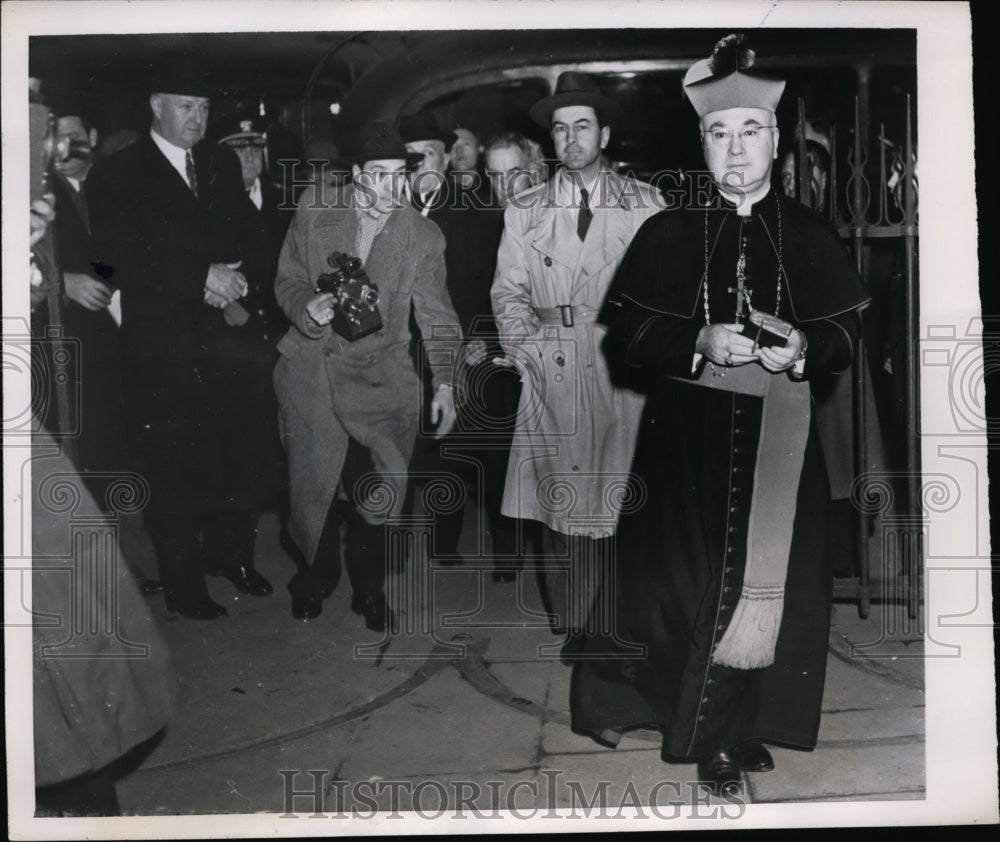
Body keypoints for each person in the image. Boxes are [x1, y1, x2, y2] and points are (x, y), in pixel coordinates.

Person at [570, 35, 870, 793]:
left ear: (775, 138)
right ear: (700, 142)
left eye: (749, 133)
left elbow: (846, 334)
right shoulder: (668, 232)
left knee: (772, 589)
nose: (734, 152)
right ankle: (711, 733)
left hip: (783, 438)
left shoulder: (807, 232)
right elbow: (631, 335)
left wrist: (803, 344)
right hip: (686, 446)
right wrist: (696, 338)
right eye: (717, 133)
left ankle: (740, 729)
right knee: (686, 588)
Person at [86, 53, 285, 620]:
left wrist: (238, 271)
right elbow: (116, 257)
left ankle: (233, 558)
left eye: (202, 108)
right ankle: (184, 585)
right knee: (173, 466)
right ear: (157, 107)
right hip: (163, 344)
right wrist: (198, 277)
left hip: (227, 335)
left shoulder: (220, 165)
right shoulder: (118, 173)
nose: (197, 119)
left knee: (238, 450)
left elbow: (242, 231)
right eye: (185, 107)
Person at [490, 72, 660, 652]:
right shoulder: (525, 211)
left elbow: (663, 297)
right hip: (552, 364)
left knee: (618, 501)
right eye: (560, 129)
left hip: (619, 365)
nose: (571, 139)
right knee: (559, 503)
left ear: (604, 134)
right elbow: (507, 294)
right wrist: (524, 351)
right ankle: (573, 622)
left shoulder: (646, 205)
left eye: (582, 126)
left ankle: (611, 628)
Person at [274, 120, 460, 627]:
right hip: (313, 372)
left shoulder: (421, 236)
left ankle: (370, 590)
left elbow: (438, 317)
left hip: (381, 383)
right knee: (314, 490)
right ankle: (314, 580)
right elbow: (287, 278)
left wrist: (445, 382)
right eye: (379, 175)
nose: (391, 189)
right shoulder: (316, 209)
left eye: (400, 176)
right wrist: (303, 308)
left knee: (378, 493)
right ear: (356, 175)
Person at [45, 99, 162, 592]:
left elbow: (127, 254)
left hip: (122, 339)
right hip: (66, 349)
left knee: (128, 454)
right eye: (56, 136)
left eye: (74, 134)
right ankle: (99, 575)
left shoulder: (112, 185)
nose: (66, 145)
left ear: (91, 135)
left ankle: (135, 563)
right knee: (84, 457)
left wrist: (112, 284)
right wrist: (62, 282)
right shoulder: (36, 195)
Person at [217, 112, 294, 343]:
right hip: (233, 328)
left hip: (282, 322)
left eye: (256, 150)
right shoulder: (211, 207)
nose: (250, 158)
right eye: (240, 151)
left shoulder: (285, 200)